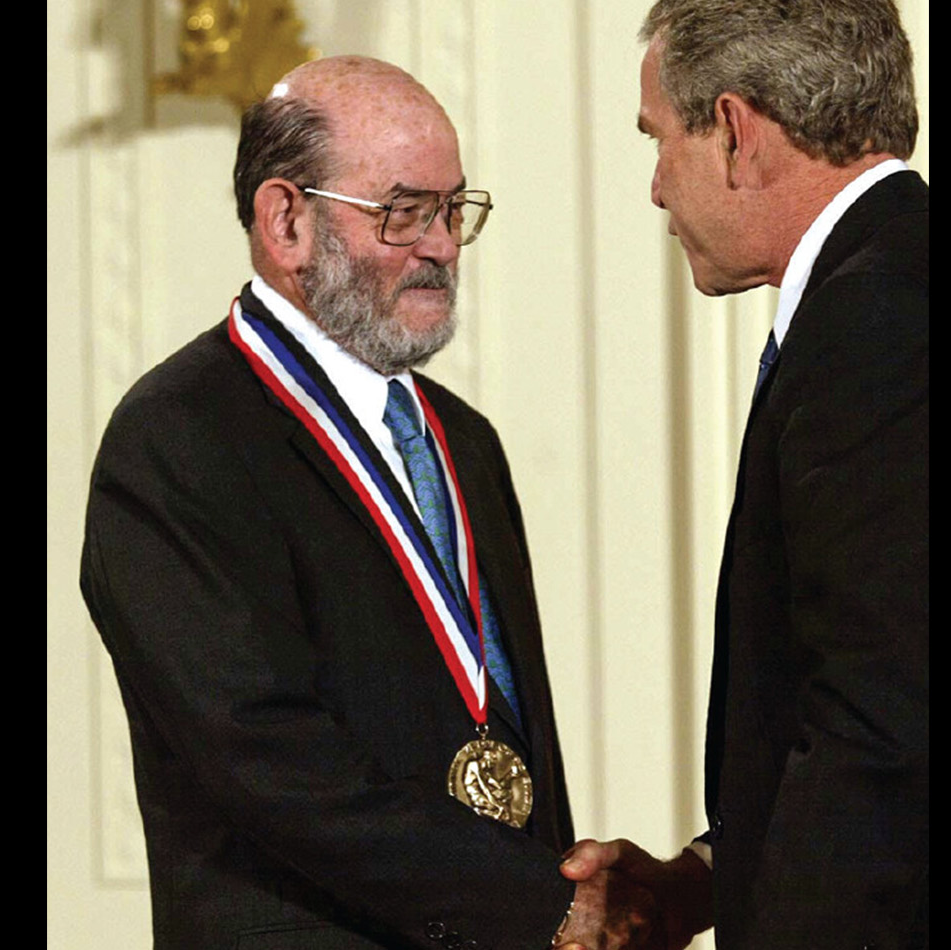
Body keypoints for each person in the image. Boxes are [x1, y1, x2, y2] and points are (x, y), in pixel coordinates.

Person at [81, 54, 657, 950]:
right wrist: (540, 905)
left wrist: (557, 904)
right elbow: (266, 759)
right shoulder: (176, 439)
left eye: (453, 208)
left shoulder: (463, 438)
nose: (441, 245)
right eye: (403, 211)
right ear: (287, 220)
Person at [559, 2, 929, 948]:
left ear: (733, 132)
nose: (653, 189)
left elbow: (880, 729)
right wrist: (712, 879)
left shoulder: (874, 323)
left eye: (659, 139)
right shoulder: (888, 284)